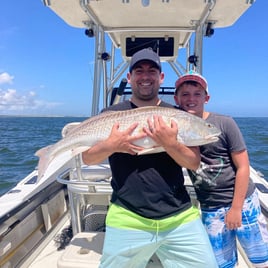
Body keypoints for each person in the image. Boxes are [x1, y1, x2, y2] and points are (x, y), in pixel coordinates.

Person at [82, 48, 218, 268]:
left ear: (161, 77)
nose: (145, 76)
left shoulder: (176, 114)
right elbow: (87, 159)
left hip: (179, 215)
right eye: (139, 71)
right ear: (130, 77)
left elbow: (193, 163)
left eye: (152, 71)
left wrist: (170, 143)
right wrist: (111, 145)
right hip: (127, 214)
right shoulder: (111, 114)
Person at [174, 70, 268, 268]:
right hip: (210, 207)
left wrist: (235, 208)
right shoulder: (173, 126)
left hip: (243, 203)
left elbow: (243, 167)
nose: (191, 99)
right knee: (222, 263)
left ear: (206, 98)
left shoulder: (224, 123)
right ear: (176, 98)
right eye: (185, 94)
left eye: (197, 94)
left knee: (261, 259)